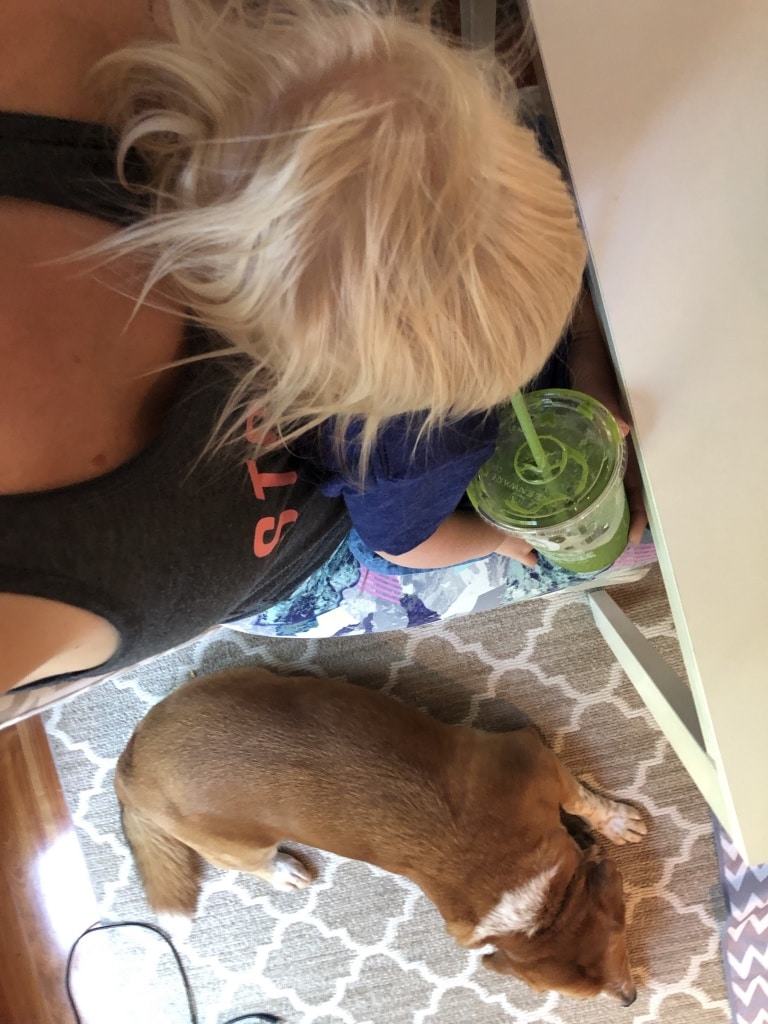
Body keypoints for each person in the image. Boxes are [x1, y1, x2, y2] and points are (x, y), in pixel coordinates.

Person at [0, 0, 647, 698]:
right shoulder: (420, 452)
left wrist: (582, 339)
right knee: (612, 548)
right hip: (341, 560)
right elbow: (405, 544)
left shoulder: (239, 170)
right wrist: (498, 539)